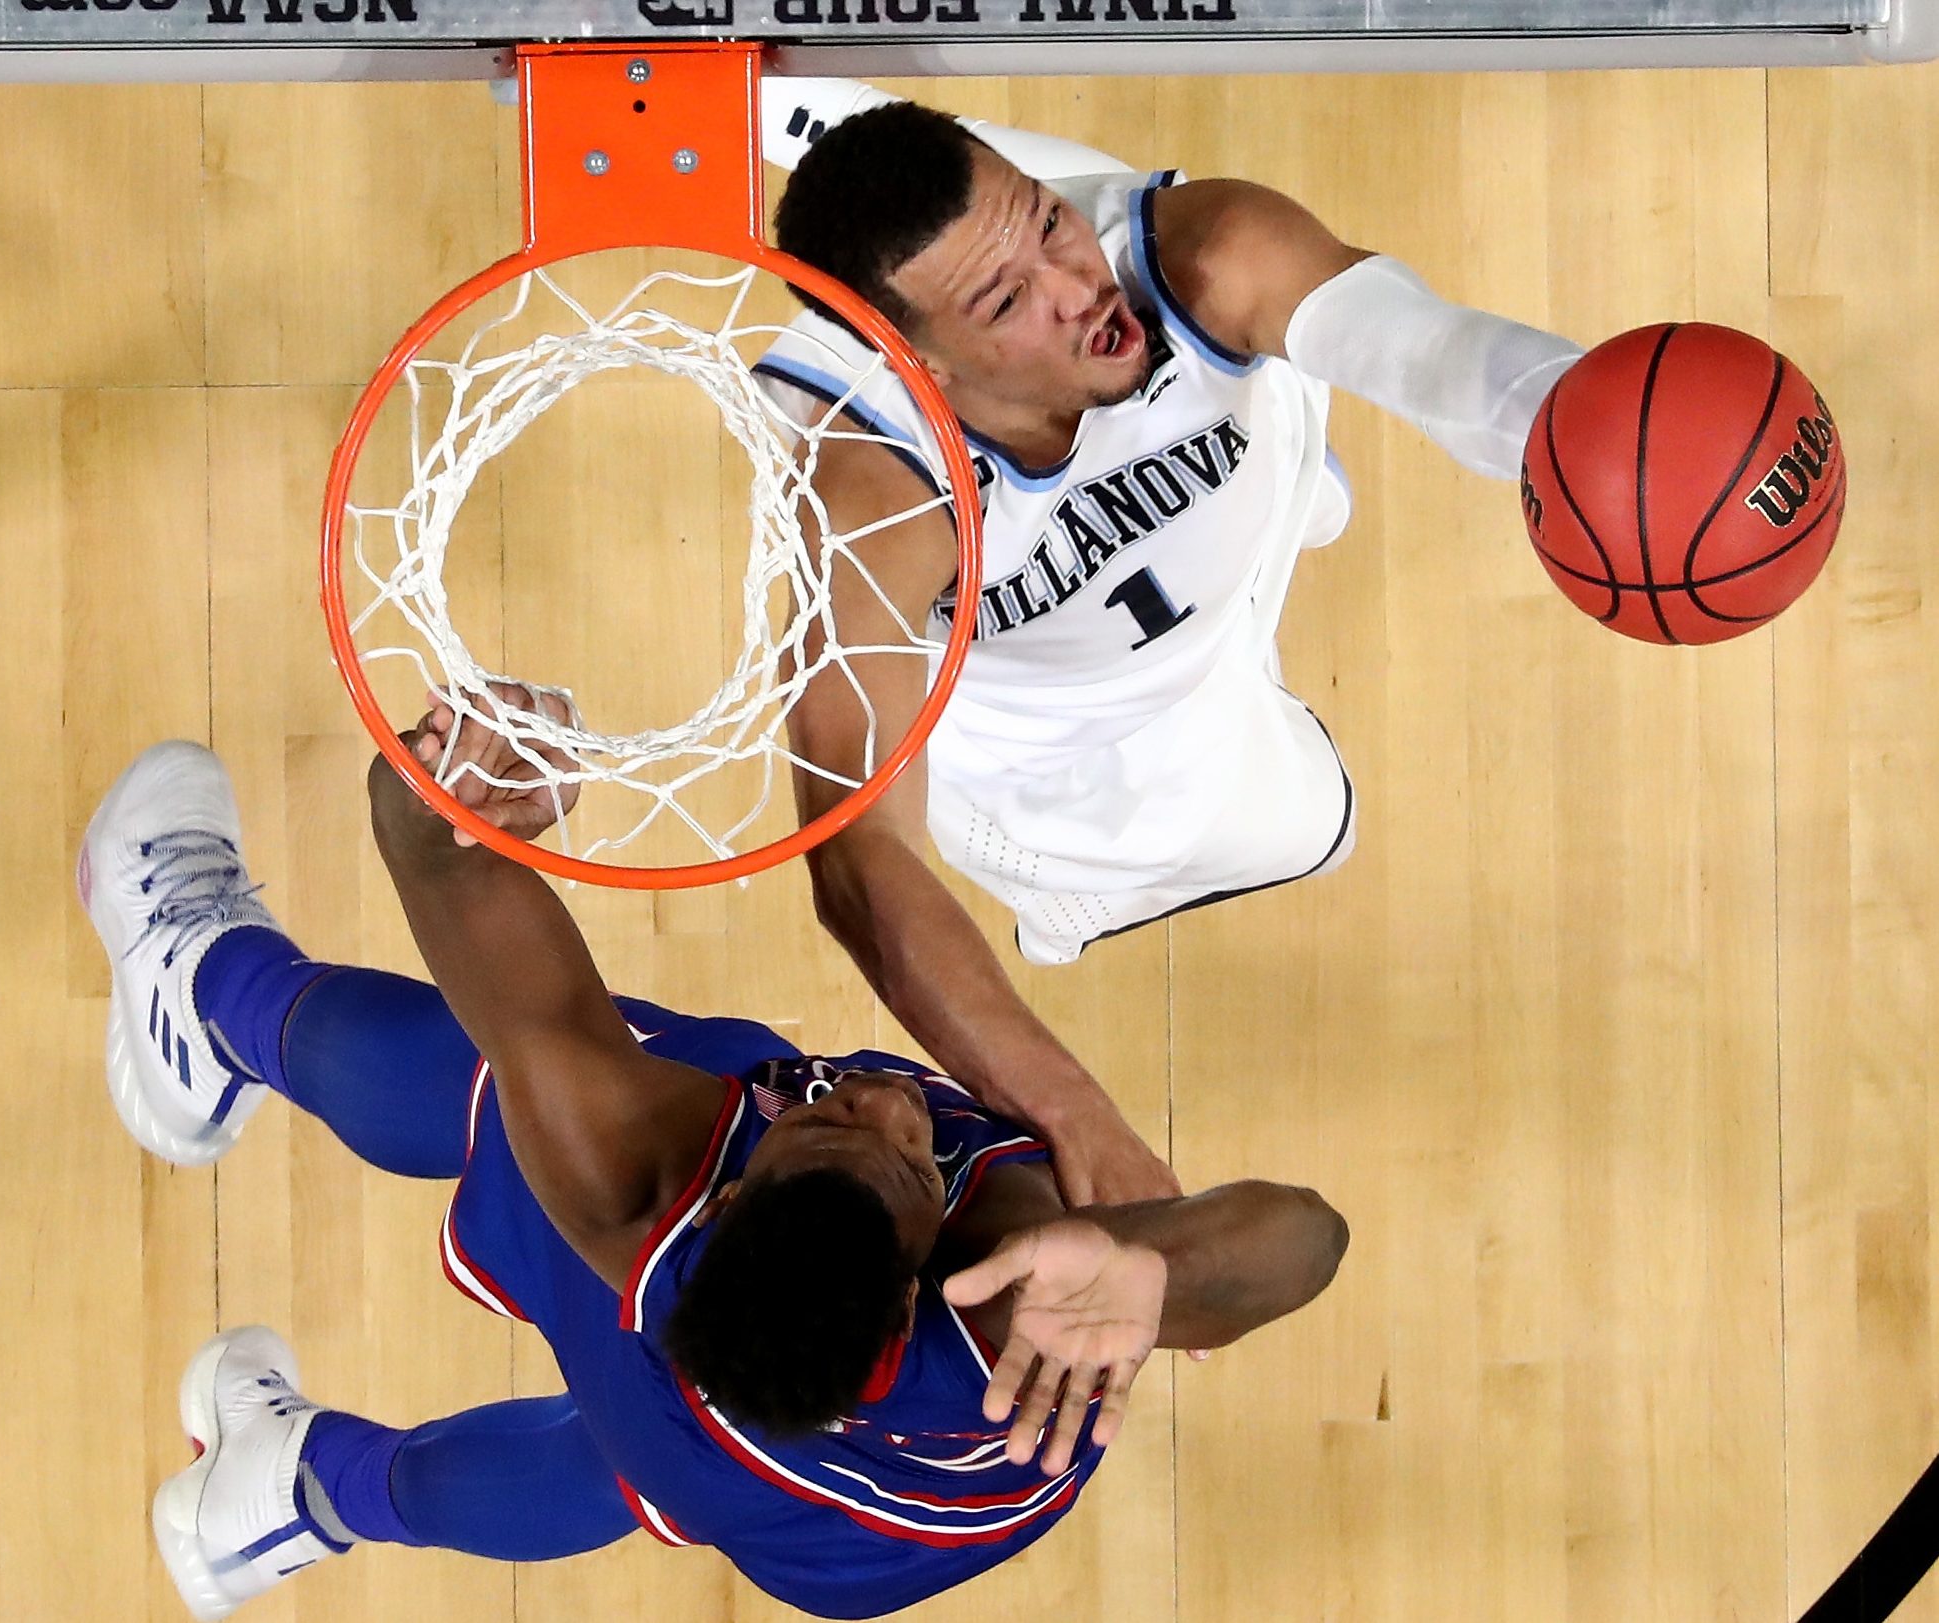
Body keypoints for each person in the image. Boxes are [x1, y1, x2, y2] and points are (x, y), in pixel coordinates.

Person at [76, 691, 1349, 1621]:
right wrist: (1155, 1267)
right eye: (866, 1129)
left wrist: (440, 799)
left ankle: (206, 995)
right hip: (848, 1540)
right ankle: (298, 1493)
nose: (871, 1099)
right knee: (638, 1477)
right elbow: (1309, 1239)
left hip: (836, 1501)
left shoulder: (637, 1184)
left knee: (499, 1087)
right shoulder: (1052, 1302)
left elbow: (483, 945)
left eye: (869, 1139)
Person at [750, 83, 1587, 1209]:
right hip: (1054, 749)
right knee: (1308, 830)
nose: (1077, 286)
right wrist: (1076, 1118)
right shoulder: (875, 501)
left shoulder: (1198, 256)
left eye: (1048, 220)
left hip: (1229, 537)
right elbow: (857, 861)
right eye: (1007, 301)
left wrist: (1597, 413)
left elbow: (1438, 356)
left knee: (1273, 385)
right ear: (925, 371)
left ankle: (793, 110)